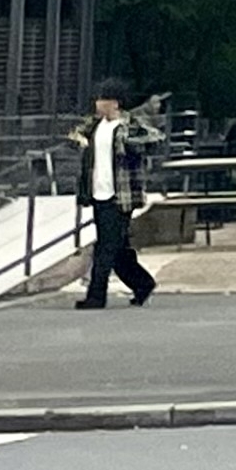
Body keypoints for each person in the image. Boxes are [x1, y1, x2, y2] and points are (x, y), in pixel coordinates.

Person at [71, 81, 158, 309]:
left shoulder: (128, 126)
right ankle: (142, 283)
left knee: (106, 246)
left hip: (121, 194)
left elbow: (154, 138)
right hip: (98, 192)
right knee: (116, 246)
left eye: (103, 99)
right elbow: (76, 136)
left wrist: (130, 143)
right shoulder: (94, 126)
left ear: (115, 103)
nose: (98, 103)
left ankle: (96, 295)